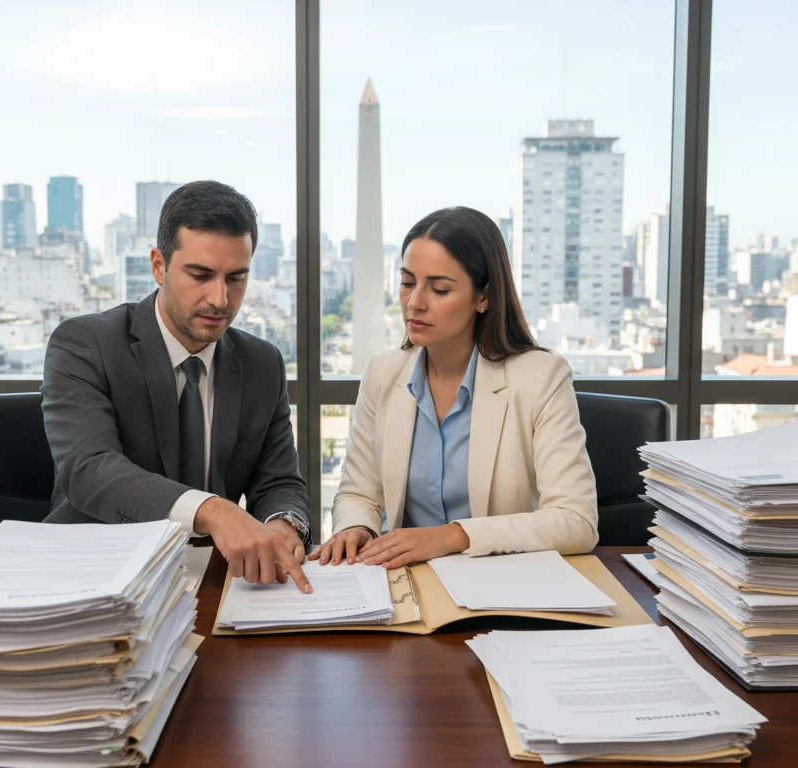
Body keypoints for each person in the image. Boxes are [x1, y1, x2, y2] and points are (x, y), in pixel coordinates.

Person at [42, 180, 313, 593]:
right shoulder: (85, 344)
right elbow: (89, 469)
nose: (221, 299)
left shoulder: (262, 364)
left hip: (213, 582)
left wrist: (283, 524)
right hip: (95, 580)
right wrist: (213, 510)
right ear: (158, 265)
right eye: (200, 275)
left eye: (236, 278)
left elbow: (278, 481)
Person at [310, 206, 597, 570]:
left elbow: (576, 521)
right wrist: (356, 526)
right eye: (408, 282)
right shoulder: (383, 372)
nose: (415, 303)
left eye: (440, 288)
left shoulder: (542, 377)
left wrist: (450, 536)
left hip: (500, 583)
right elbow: (358, 491)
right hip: (405, 580)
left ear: (484, 297)